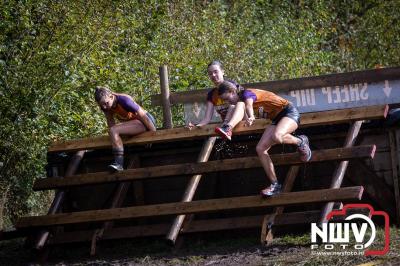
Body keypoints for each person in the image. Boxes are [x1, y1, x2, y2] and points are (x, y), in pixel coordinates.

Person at [214, 81, 311, 197]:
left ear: (233, 91)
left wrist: (251, 116)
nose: (228, 102)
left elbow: (249, 105)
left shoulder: (246, 94)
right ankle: (275, 185)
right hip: (276, 119)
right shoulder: (240, 103)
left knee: (277, 136)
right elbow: (240, 113)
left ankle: (301, 141)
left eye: (227, 98)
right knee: (260, 148)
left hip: (288, 112)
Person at [94, 86, 156, 172]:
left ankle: (119, 163)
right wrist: (115, 138)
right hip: (134, 124)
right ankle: (119, 161)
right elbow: (110, 122)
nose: (104, 107)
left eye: (106, 103)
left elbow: (143, 116)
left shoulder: (124, 101)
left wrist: (153, 135)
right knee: (112, 131)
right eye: (102, 105)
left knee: (114, 130)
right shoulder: (106, 107)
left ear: (111, 97)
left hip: (146, 122)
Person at [187, 60, 244, 129]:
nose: (213, 75)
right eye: (210, 73)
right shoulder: (212, 94)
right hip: (225, 127)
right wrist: (195, 126)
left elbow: (243, 105)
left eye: (215, 72)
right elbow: (207, 118)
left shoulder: (233, 86)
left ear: (222, 72)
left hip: (240, 122)